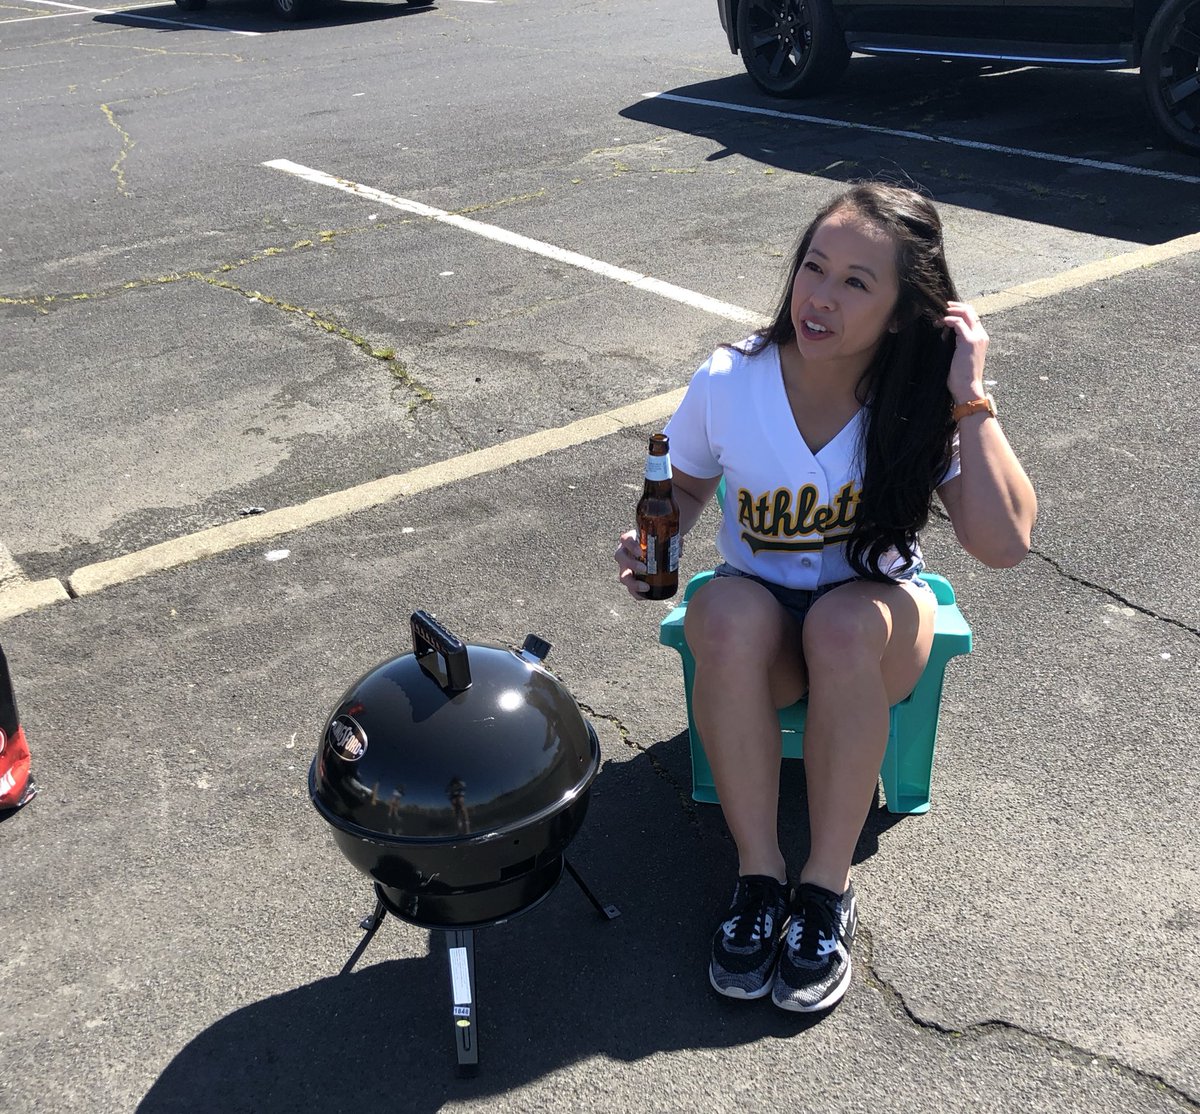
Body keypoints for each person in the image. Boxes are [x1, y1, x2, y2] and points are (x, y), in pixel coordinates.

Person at [614, 182, 1036, 1014]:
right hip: (764, 619)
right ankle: (759, 878)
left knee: (842, 626)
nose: (820, 297)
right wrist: (649, 538)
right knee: (720, 613)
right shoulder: (731, 377)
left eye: (855, 282)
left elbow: (1003, 544)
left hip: (874, 619)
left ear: (906, 308)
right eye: (815, 267)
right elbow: (688, 487)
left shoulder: (921, 396)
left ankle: (824, 889)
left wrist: (971, 393)